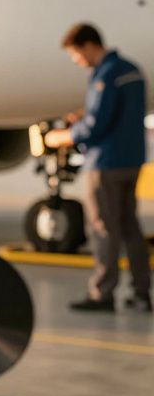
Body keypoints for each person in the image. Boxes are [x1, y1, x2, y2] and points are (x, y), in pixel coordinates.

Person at [45, 23, 151, 313]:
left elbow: (97, 125)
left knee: (104, 229)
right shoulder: (132, 70)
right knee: (130, 227)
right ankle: (143, 292)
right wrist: (84, 115)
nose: (77, 61)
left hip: (106, 162)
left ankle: (102, 294)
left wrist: (62, 136)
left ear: (88, 46)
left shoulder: (106, 74)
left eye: (76, 55)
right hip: (132, 159)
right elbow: (122, 113)